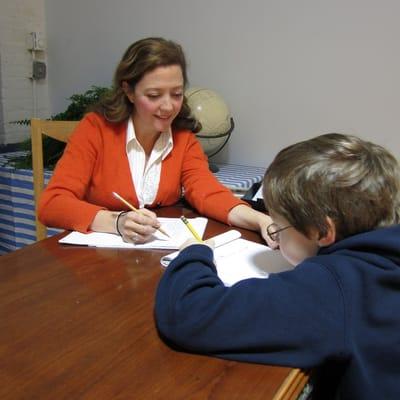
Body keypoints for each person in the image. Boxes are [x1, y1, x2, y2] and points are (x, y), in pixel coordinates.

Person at [155, 133, 400, 400]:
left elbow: (189, 313)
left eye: (280, 226)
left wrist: (193, 253)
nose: (276, 235)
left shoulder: (336, 288)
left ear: (321, 231)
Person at [38, 37, 273, 245]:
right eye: (154, 95)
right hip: (98, 264)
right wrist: (117, 222)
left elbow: (208, 193)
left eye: (177, 94)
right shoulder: (95, 129)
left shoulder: (183, 138)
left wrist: (261, 220)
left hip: (154, 258)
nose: (168, 106)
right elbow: (52, 204)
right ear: (129, 92)